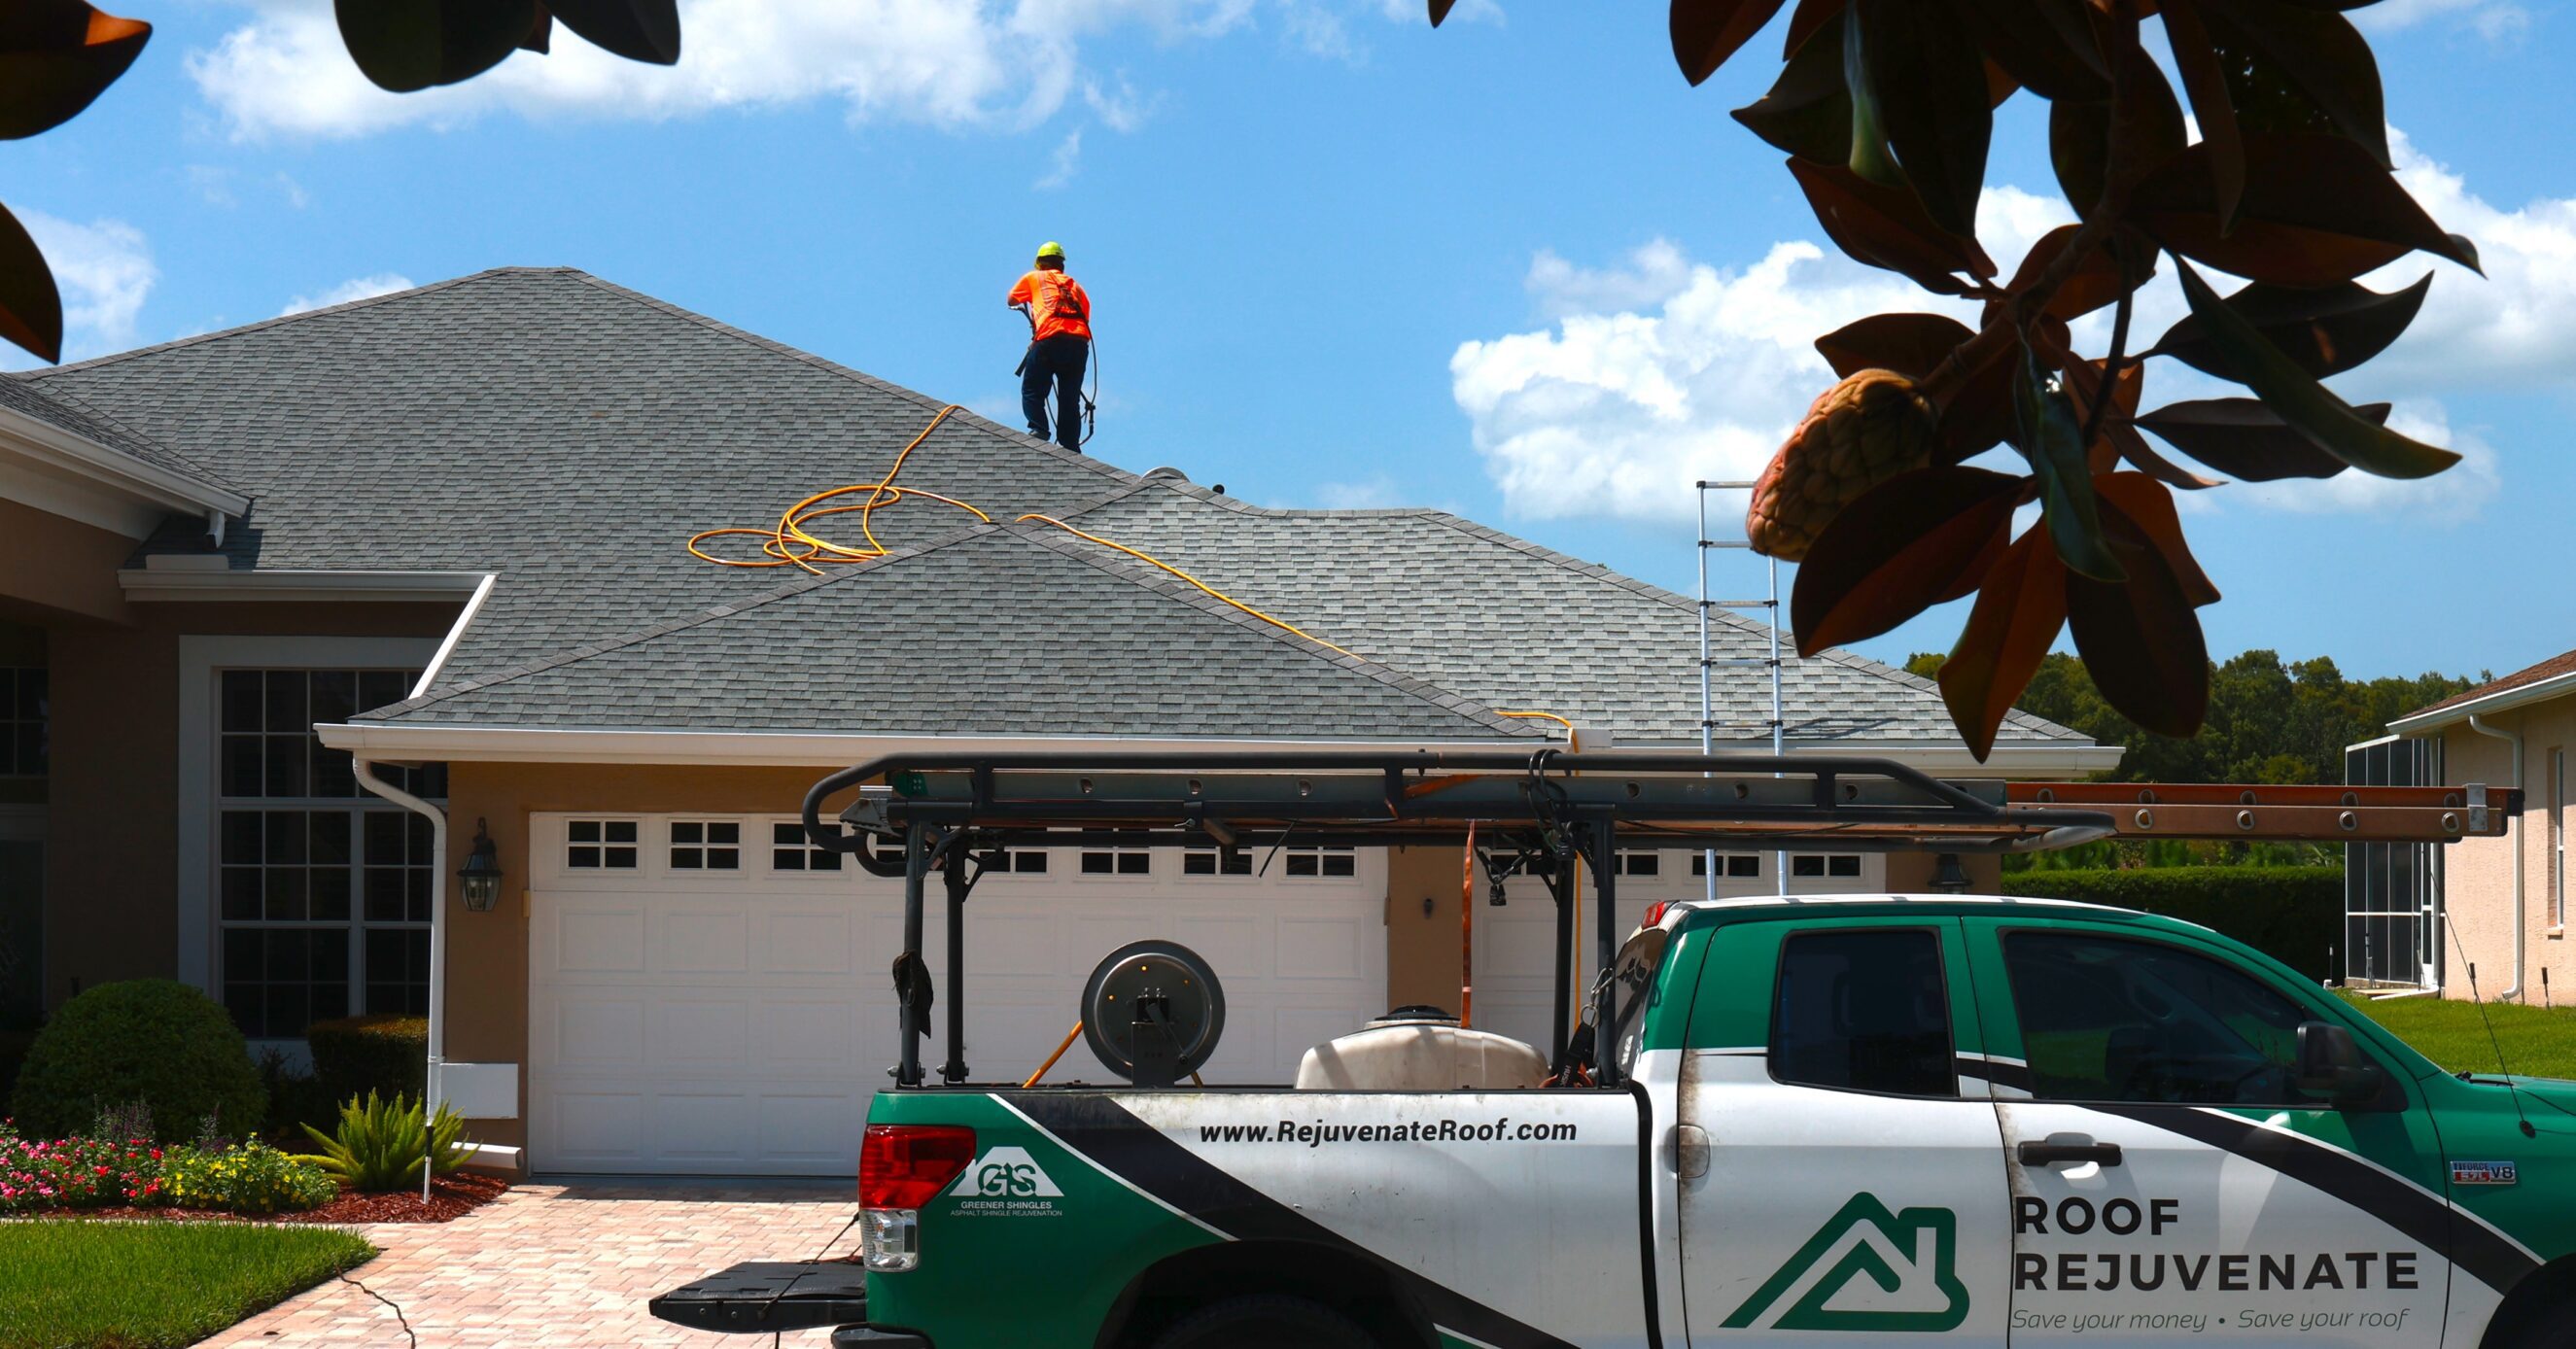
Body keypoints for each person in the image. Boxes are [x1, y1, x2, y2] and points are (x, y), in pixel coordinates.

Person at [1007, 241, 1093, 451]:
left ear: (1040, 264)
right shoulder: (1077, 288)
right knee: (1069, 397)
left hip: (1049, 337)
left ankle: (1039, 428)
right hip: (1079, 343)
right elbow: (1085, 316)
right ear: (1061, 265)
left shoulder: (1034, 277)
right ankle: (1070, 444)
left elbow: (1012, 299)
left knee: (1033, 389)